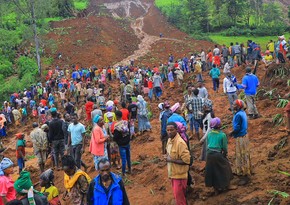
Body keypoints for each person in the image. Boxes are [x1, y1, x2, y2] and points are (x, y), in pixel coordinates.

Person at [205, 118, 235, 194]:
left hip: (209, 155)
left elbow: (208, 144)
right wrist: (225, 154)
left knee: (213, 171)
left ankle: (216, 189)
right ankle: (227, 185)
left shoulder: (209, 134)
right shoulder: (222, 135)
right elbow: (224, 147)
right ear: (219, 125)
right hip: (217, 154)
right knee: (226, 168)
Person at [165, 122, 190, 205]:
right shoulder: (169, 140)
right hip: (173, 174)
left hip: (180, 176)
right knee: (178, 197)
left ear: (176, 130)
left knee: (180, 200)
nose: (169, 132)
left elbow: (187, 161)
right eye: (168, 130)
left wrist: (171, 160)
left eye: (171, 130)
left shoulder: (180, 143)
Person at [230, 99, 251, 185]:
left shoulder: (238, 115)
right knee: (245, 154)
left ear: (238, 106)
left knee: (241, 155)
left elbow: (237, 128)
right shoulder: (242, 113)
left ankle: (244, 176)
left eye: (234, 105)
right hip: (244, 136)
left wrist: (231, 133)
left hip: (240, 137)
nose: (233, 105)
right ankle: (246, 170)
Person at [113, 111, 131, 176]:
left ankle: (123, 173)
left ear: (116, 116)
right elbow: (129, 132)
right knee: (128, 157)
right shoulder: (126, 122)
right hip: (127, 142)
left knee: (123, 159)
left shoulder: (117, 126)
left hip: (121, 145)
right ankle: (129, 169)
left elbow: (115, 137)